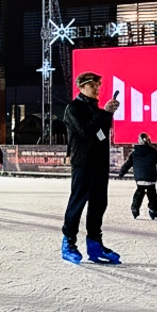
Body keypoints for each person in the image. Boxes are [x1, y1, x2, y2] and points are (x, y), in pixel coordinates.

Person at [61, 71, 122, 265]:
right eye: (93, 84)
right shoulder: (74, 108)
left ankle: (94, 243)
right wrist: (105, 113)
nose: (97, 88)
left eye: (98, 85)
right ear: (82, 86)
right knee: (77, 203)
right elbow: (86, 131)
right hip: (83, 162)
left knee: (98, 204)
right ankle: (69, 243)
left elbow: (102, 133)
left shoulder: (96, 109)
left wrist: (105, 114)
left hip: (99, 163)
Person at [118, 132, 157, 220]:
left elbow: (127, 164)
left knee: (139, 193)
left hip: (139, 178)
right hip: (150, 178)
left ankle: (135, 208)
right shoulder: (153, 152)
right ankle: (153, 210)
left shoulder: (134, 153)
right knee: (152, 195)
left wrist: (121, 173)